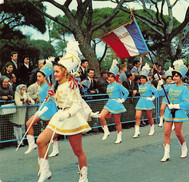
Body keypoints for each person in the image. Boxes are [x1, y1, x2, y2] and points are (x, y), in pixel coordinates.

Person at [37, 42, 92, 181]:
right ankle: (45, 171)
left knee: (78, 151)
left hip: (70, 119)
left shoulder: (72, 85)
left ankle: (83, 177)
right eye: (54, 71)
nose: (54, 74)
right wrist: (53, 96)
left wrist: (67, 114)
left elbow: (76, 105)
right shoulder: (60, 85)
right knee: (40, 141)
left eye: (57, 71)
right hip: (59, 117)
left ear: (65, 72)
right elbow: (62, 102)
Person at [159, 60, 189, 161]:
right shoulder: (170, 86)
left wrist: (176, 105)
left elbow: (187, 104)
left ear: (181, 77)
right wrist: (159, 86)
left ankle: (184, 147)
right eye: (174, 75)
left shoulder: (185, 89)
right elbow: (159, 93)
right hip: (169, 111)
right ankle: (166, 154)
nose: (174, 77)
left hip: (178, 111)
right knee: (166, 132)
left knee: (177, 133)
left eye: (177, 76)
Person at [24, 62, 58, 155]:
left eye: (39, 76)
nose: (37, 78)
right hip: (42, 107)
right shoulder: (40, 86)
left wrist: (51, 96)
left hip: (49, 108)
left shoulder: (48, 86)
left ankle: (55, 149)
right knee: (29, 123)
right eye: (37, 76)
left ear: (44, 77)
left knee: (50, 129)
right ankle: (32, 144)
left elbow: (52, 98)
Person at [99, 60, 129, 143]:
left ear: (114, 77)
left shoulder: (118, 84)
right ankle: (106, 131)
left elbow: (126, 92)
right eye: (108, 77)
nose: (109, 78)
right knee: (101, 116)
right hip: (109, 103)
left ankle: (119, 136)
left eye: (111, 77)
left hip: (116, 103)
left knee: (117, 121)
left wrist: (122, 99)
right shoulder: (108, 85)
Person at [133, 63, 158, 138]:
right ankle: (137, 132)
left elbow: (156, 92)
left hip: (147, 102)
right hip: (141, 101)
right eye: (141, 78)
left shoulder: (150, 85)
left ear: (146, 79)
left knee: (149, 117)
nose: (142, 79)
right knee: (137, 116)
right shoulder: (140, 86)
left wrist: (152, 98)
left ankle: (152, 129)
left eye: (143, 78)